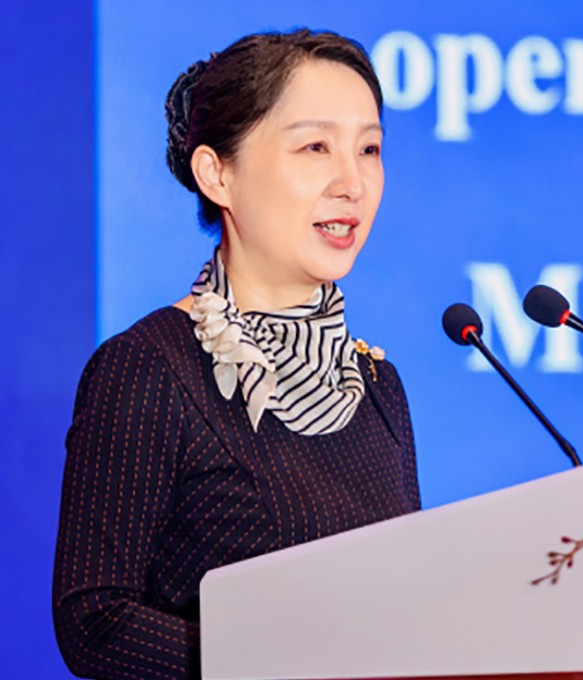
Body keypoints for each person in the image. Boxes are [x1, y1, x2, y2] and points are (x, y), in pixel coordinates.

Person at [53, 29, 420, 679]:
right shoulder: (150, 367)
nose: (353, 183)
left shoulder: (376, 385)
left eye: (369, 149)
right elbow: (94, 620)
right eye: (315, 147)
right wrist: (270, 663)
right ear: (217, 173)